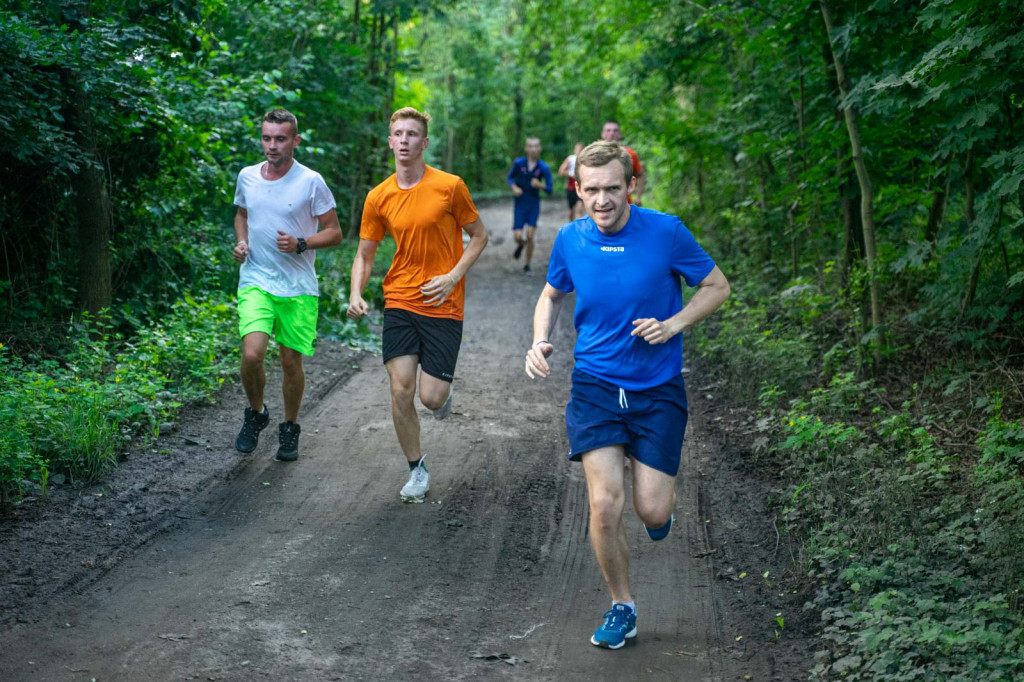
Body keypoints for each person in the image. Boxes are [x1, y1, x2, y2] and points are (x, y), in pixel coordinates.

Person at [524, 141, 730, 650]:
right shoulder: (571, 239)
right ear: (577, 188)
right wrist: (539, 340)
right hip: (595, 384)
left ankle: (657, 505)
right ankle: (623, 607)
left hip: (657, 389)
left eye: (612, 188)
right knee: (603, 505)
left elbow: (717, 286)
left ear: (630, 186)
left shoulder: (666, 232)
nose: (602, 200)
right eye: (591, 190)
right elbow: (552, 293)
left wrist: (674, 324)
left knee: (653, 511)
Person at [347, 107, 488, 503]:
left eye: (412, 134)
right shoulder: (379, 196)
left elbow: (479, 237)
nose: (405, 140)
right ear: (390, 141)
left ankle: (442, 394)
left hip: (443, 302)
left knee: (431, 398)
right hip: (401, 300)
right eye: (398, 133)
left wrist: (452, 276)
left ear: (424, 143)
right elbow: (364, 254)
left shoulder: (450, 187)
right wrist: (356, 293)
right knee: (400, 389)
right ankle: (417, 469)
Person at [232, 109, 343, 462]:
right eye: (267, 138)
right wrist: (241, 242)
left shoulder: (311, 181)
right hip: (256, 279)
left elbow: (335, 232)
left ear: (295, 140)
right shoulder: (247, 176)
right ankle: (256, 413)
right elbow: (241, 213)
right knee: (252, 354)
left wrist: (301, 243)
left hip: (297, 286)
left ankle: (290, 426)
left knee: (291, 361)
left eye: (280, 139)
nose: (272, 145)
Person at [506, 136, 553, 274]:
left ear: (540, 148)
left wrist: (541, 185)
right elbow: (509, 177)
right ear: (526, 148)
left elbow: (550, 189)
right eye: (530, 146)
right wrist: (513, 187)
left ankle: (527, 265)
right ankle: (521, 244)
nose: (533, 149)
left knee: (530, 235)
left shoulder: (544, 167)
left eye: (536, 146)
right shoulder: (519, 163)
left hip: (533, 204)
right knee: (518, 236)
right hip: (520, 204)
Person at [600, 120, 646, 206]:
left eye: (615, 130)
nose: (612, 133)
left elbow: (640, 175)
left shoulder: (630, 154)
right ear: (603, 134)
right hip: (601, 204)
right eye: (608, 130)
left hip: (625, 205)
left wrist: (638, 197)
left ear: (619, 134)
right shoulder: (595, 155)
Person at [557, 142, 585, 222]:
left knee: (579, 207)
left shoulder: (585, 160)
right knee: (571, 210)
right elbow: (561, 171)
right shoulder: (570, 159)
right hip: (571, 187)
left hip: (581, 186)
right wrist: (572, 174)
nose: (579, 151)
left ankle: (579, 227)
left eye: (581, 149)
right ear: (574, 150)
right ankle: (571, 224)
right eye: (578, 149)